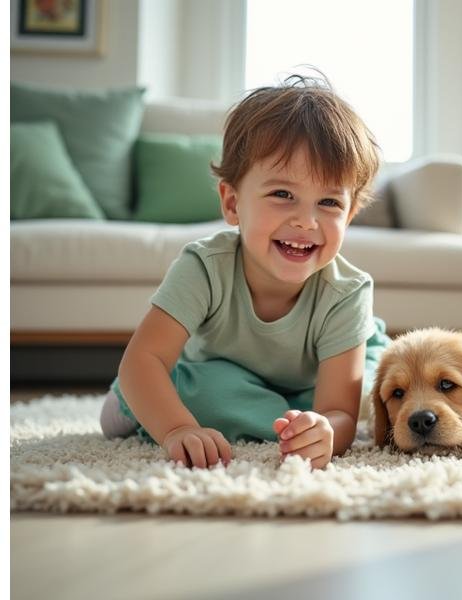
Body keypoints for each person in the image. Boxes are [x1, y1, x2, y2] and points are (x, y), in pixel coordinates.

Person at [99, 73, 390, 470]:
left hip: (315, 384)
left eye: (328, 202)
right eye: (282, 195)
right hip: (223, 370)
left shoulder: (347, 291)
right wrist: (177, 429)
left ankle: (273, 414)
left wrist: (325, 432)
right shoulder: (204, 267)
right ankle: (146, 401)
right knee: (205, 393)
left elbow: (338, 410)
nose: (306, 221)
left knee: (374, 397)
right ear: (233, 203)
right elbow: (142, 360)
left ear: (350, 214)